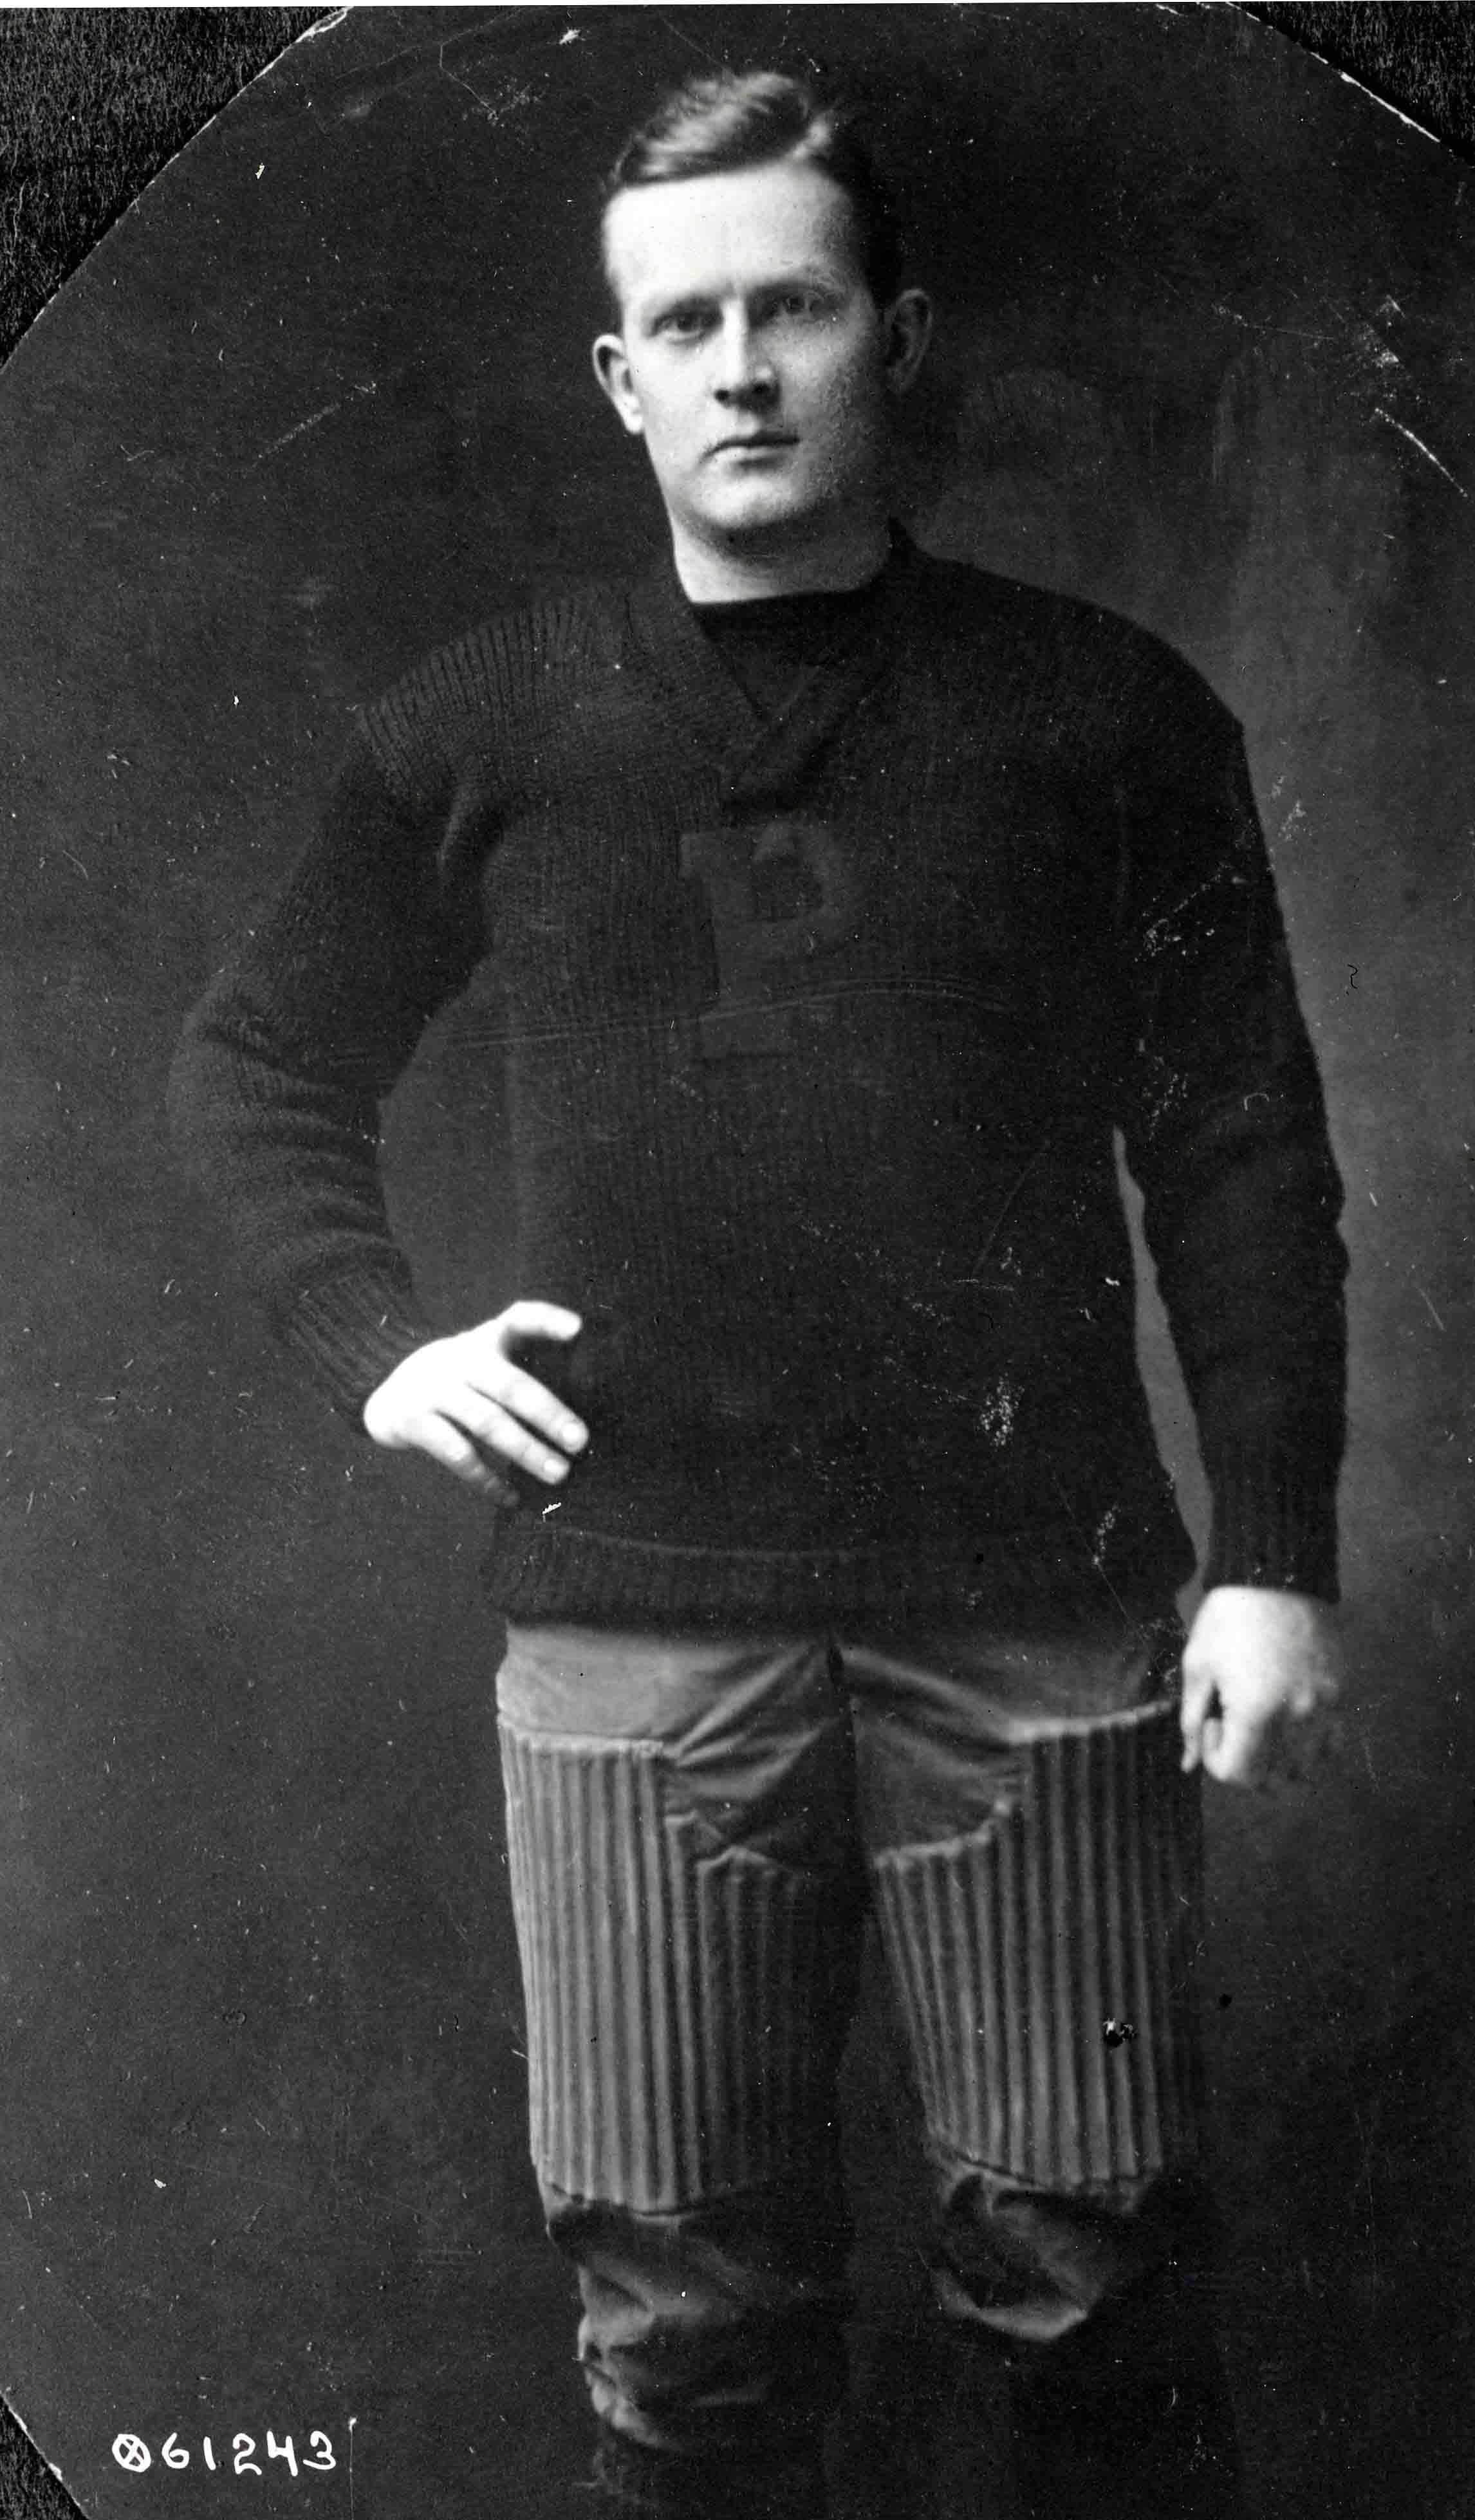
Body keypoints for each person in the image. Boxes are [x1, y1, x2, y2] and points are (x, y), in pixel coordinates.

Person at [169, 68, 1348, 2520]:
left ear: (888, 337)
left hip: (1034, 1616)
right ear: (619, 378)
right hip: (631, 1632)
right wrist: (374, 1347)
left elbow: (1240, 1147)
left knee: (1096, 2285)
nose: (740, 368)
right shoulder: (490, 716)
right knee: (683, 2340)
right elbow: (260, 1056)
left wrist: (1271, 1550)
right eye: (684, 324)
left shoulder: (1100, 710)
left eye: (788, 308)